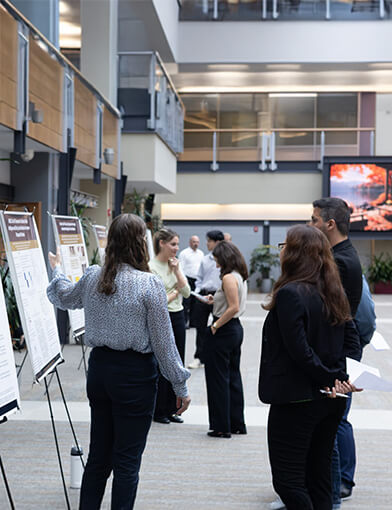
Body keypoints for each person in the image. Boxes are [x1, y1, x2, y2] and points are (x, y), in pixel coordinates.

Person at [46, 214, 191, 510]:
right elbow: (164, 342)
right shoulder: (148, 283)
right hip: (135, 377)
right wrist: (180, 385)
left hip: (99, 371)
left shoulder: (94, 276)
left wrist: (57, 269)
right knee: (126, 461)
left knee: (99, 456)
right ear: (142, 243)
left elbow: (63, 297)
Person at [259, 224, 362, 510]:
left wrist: (332, 379)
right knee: (318, 476)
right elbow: (352, 341)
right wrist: (342, 378)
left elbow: (299, 351)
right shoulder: (331, 289)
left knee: (289, 482)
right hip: (331, 400)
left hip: (298, 399)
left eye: (284, 245)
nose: (281, 251)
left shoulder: (291, 293)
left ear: (295, 254)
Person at [311, 197, 363, 504]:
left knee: (335, 421)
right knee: (336, 419)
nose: (311, 224)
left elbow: (333, 314)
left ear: (330, 224)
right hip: (340, 352)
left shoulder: (341, 261)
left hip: (337, 355)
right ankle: (339, 482)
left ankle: (339, 485)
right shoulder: (342, 255)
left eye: (315, 219)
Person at [204, 240, 248, 438]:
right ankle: (236, 422)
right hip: (235, 329)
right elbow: (232, 303)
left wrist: (215, 325)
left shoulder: (228, 277)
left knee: (218, 379)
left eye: (217, 259)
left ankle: (221, 426)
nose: (215, 264)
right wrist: (216, 299)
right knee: (232, 376)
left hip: (224, 330)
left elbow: (233, 307)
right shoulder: (239, 276)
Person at [149, 228, 191, 424]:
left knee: (177, 361)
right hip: (162, 317)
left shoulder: (174, 265)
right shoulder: (151, 267)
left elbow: (187, 291)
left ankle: (173, 409)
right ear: (161, 244)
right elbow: (158, 301)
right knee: (162, 362)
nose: (176, 248)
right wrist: (174, 293)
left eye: (177, 244)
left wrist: (176, 271)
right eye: (173, 244)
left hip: (178, 316)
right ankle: (159, 410)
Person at [188, 230, 224, 369]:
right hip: (203, 295)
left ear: (217, 242)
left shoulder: (225, 260)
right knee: (200, 328)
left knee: (218, 326)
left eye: (209, 241)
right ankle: (199, 357)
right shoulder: (205, 259)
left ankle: (214, 356)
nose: (206, 243)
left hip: (219, 296)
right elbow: (199, 278)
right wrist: (198, 293)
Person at [178, 235, 204, 328]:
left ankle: (193, 322)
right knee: (186, 302)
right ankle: (184, 322)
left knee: (195, 302)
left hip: (197, 280)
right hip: (187, 279)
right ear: (190, 242)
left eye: (197, 242)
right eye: (194, 242)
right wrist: (183, 280)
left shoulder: (201, 253)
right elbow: (181, 267)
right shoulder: (184, 253)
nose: (196, 243)